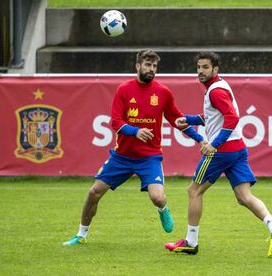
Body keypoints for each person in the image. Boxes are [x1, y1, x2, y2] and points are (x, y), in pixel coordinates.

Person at [63, 49, 204, 246]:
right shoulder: (124, 89)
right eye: (147, 64)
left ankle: (163, 208)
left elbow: (177, 120)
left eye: (154, 66)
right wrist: (135, 131)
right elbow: (115, 122)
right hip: (122, 156)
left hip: (149, 157)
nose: (151, 69)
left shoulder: (163, 92)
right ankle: (81, 235)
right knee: (94, 192)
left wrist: (199, 139)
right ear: (137, 66)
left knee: (157, 197)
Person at [164, 52, 272, 257]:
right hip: (237, 148)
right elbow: (215, 117)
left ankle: (191, 242)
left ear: (215, 69)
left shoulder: (215, 91)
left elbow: (232, 117)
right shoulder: (219, 86)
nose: (201, 71)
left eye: (205, 67)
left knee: (194, 191)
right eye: (199, 67)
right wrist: (189, 119)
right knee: (244, 197)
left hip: (222, 151)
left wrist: (214, 144)